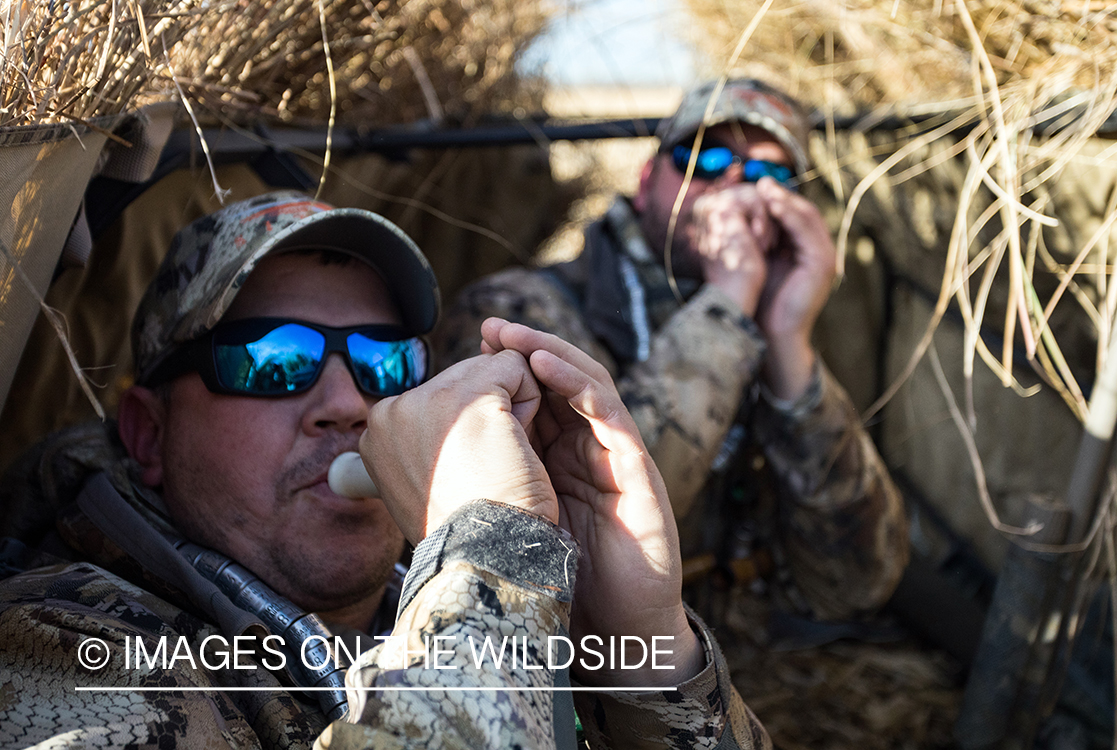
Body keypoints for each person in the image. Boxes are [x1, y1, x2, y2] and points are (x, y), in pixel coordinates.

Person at [0, 191, 769, 748]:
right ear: (148, 435)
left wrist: (646, 650)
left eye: (385, 360)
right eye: (275, 360)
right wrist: (490, 562)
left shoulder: (443, 603)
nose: (347, 402)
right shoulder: (63, 652)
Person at [432, 79, 909, 623]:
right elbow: (597, 553)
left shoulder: (772, 319)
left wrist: (786, 341)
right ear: (645, 180)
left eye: (768, 174)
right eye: (703, 157)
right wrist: (727, 299)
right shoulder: (522, 311)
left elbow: (861, 580)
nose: (733, 183)